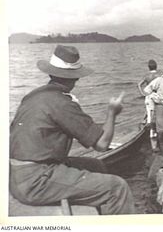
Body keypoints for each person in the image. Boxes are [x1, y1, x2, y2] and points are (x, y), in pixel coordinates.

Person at [9, 45, 135, 214]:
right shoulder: (62, 103)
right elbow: (102, 144)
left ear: (50, 73)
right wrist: (112, 113)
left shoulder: (34, 95)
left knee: (95, 164)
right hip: (35, 181)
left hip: (15, 174)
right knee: (118, 188)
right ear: (74, 78)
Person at [138, 59, 163, 125]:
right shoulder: (159, 75)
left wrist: (142, 93)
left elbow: (139, 85)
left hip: (149, 95)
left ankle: (146, 122)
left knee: (148, 110)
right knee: (157, 110)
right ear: (156, 66)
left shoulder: (147, 76)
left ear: (149, 67)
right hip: (157, 95)